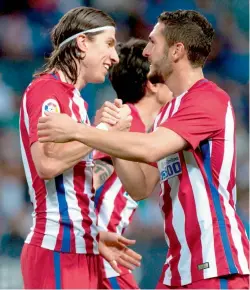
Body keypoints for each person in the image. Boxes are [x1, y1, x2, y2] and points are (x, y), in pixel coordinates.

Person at [37, 9, 249, 289]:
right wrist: (114, 139)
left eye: (153, 42)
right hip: (179, 266)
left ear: (176, 51)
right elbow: (140, 186)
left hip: (214, 262)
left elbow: (149, 149)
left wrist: (78, 131)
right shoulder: (166, 115)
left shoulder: (208, 98)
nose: (146, 51)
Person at [19, 7, 141, 289]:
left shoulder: (77, 103)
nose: (115, 56)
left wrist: (93, 234)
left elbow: (74, 184)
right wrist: (102, 132)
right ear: (82, 43)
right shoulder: (46, 91)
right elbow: (47, 165)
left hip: (82, 248)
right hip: (57, 251)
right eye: (109, 44)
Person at [93, 38, 173, 289]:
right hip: (98, 249)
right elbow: (88, 181)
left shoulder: (148, 131)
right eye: (166, 72)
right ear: (151, 84)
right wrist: (88, 236)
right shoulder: (125, 122)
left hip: (104, 246)